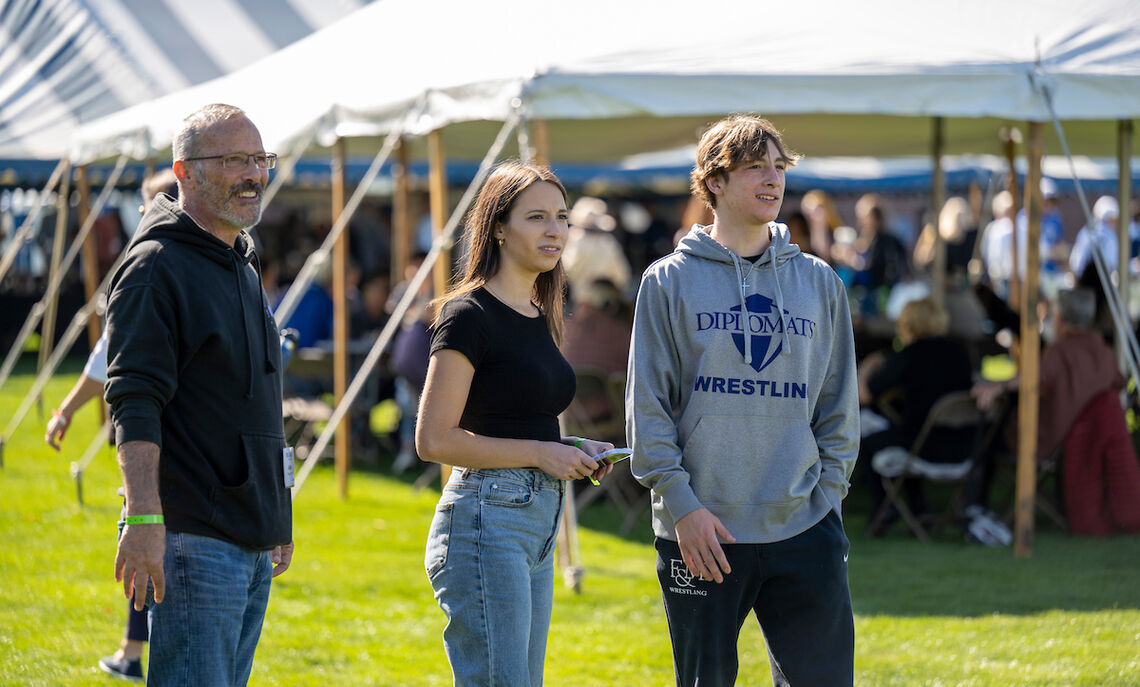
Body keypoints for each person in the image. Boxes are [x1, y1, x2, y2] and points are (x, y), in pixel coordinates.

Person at [627, 114, 858, 686]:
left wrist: (827, 496)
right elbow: (648, 409)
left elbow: (838, 403)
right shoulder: (667, 282)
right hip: (702, 531)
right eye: (754, 166)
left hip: (804, 524)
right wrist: (682, 504)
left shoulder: (819, 283)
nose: (772, 179)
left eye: (779, 167)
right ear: (714, 184)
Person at [105, 103, 293, 687]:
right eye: (235, 160)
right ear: (184, 172)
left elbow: (253, 401)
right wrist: (143, 516)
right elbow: (134, 399)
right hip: (190, 536)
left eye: (260, 159)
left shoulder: (240, 258)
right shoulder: (156, 265)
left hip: (248, 530)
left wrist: (276, 510)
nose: (254, 174)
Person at [415, 161, 615, 686]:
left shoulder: (539, 310)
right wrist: (540, 453)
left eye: (562, 217)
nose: (555, 230)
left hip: (536, 520)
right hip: (487, 519)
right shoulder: (468, 313)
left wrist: (570, 445)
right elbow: (434, 439)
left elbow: (512, 419)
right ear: (498, 227)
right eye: (537, 217)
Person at [44, 168, 177, 683]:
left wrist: (66, 411)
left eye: (147, 207)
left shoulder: (147, 269)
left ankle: (134, 653)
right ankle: (135, 650)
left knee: (145, 550)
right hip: (194, 454)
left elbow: (107, 362)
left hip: (156, 447)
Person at [857, 297, 975, 534]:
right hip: (964, 447)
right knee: (904, 435)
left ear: (908, 325)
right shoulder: (960, 352)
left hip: (924, 447)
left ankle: (883, 509)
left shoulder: (910, 354)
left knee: (869, 441)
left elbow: (863, 396)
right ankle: (920, 510)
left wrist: (867, 366)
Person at [973, 286, 1124, 465]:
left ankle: (977, 490)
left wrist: (998, 387)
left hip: (1054, 442)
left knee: (992, 435)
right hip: (1092, 441)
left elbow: (1030, 377)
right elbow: (1119, 382)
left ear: (1060, 318)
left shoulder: (1060, 351)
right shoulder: (1106, 353)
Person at [1069, 195, 1120, 279]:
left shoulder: (1085, 231)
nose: (1115, 224)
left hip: (1083, 284)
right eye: (1113, 220)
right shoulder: (1108, 235)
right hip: (1100, 286)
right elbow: (1113, 263)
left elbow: (1076, 265)